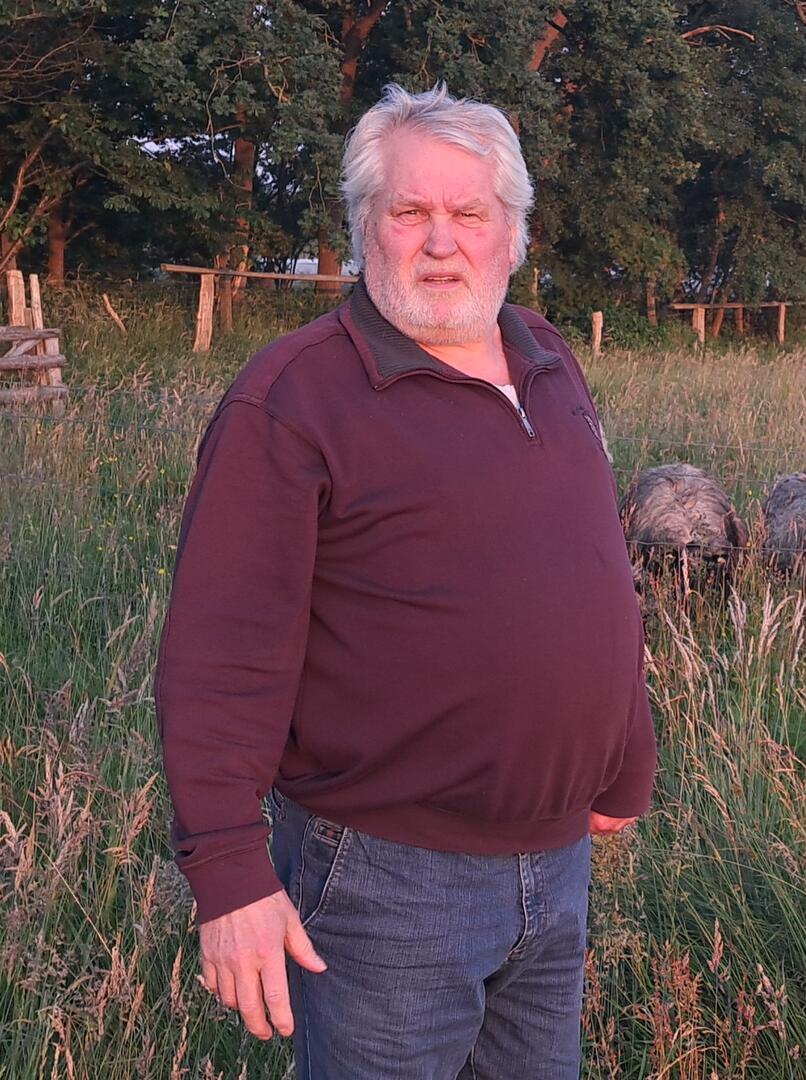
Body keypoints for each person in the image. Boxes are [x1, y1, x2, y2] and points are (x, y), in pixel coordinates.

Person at [153, 83, 656, 1078]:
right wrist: (226, 869)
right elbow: (222, 652)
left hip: (555, 870)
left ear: (513, 234)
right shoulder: (295, 399)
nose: (441, 242)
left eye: (469, 214)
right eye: (409, 212)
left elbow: (593, 563)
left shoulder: (549, 360)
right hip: (387, 881)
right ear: (362, 228)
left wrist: (622, 752)